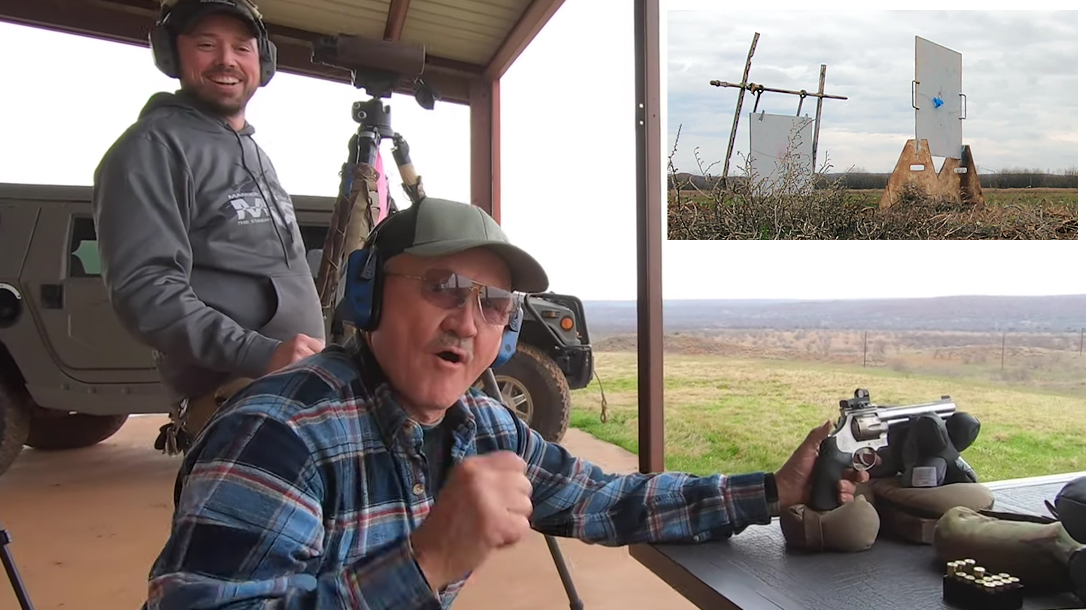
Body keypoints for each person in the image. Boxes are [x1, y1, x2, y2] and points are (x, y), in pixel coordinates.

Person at [142, 197, 869, 610]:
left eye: (494, 306)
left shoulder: (482, 428)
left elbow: (609, 499)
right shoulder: (277, 436)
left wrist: (774, 490)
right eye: (442, 289)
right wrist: (426, 561)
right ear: (365, 298)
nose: (468, 322)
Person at [91, 0, 325, 454]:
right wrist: (261, 353)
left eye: (242, 47)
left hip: (287, 387)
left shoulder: (253, 151)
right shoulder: (152, 149)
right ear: (171, 55)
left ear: (263, 61)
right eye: (206, 45)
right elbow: (147, 290)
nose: (227, 60)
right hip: (239, 398)